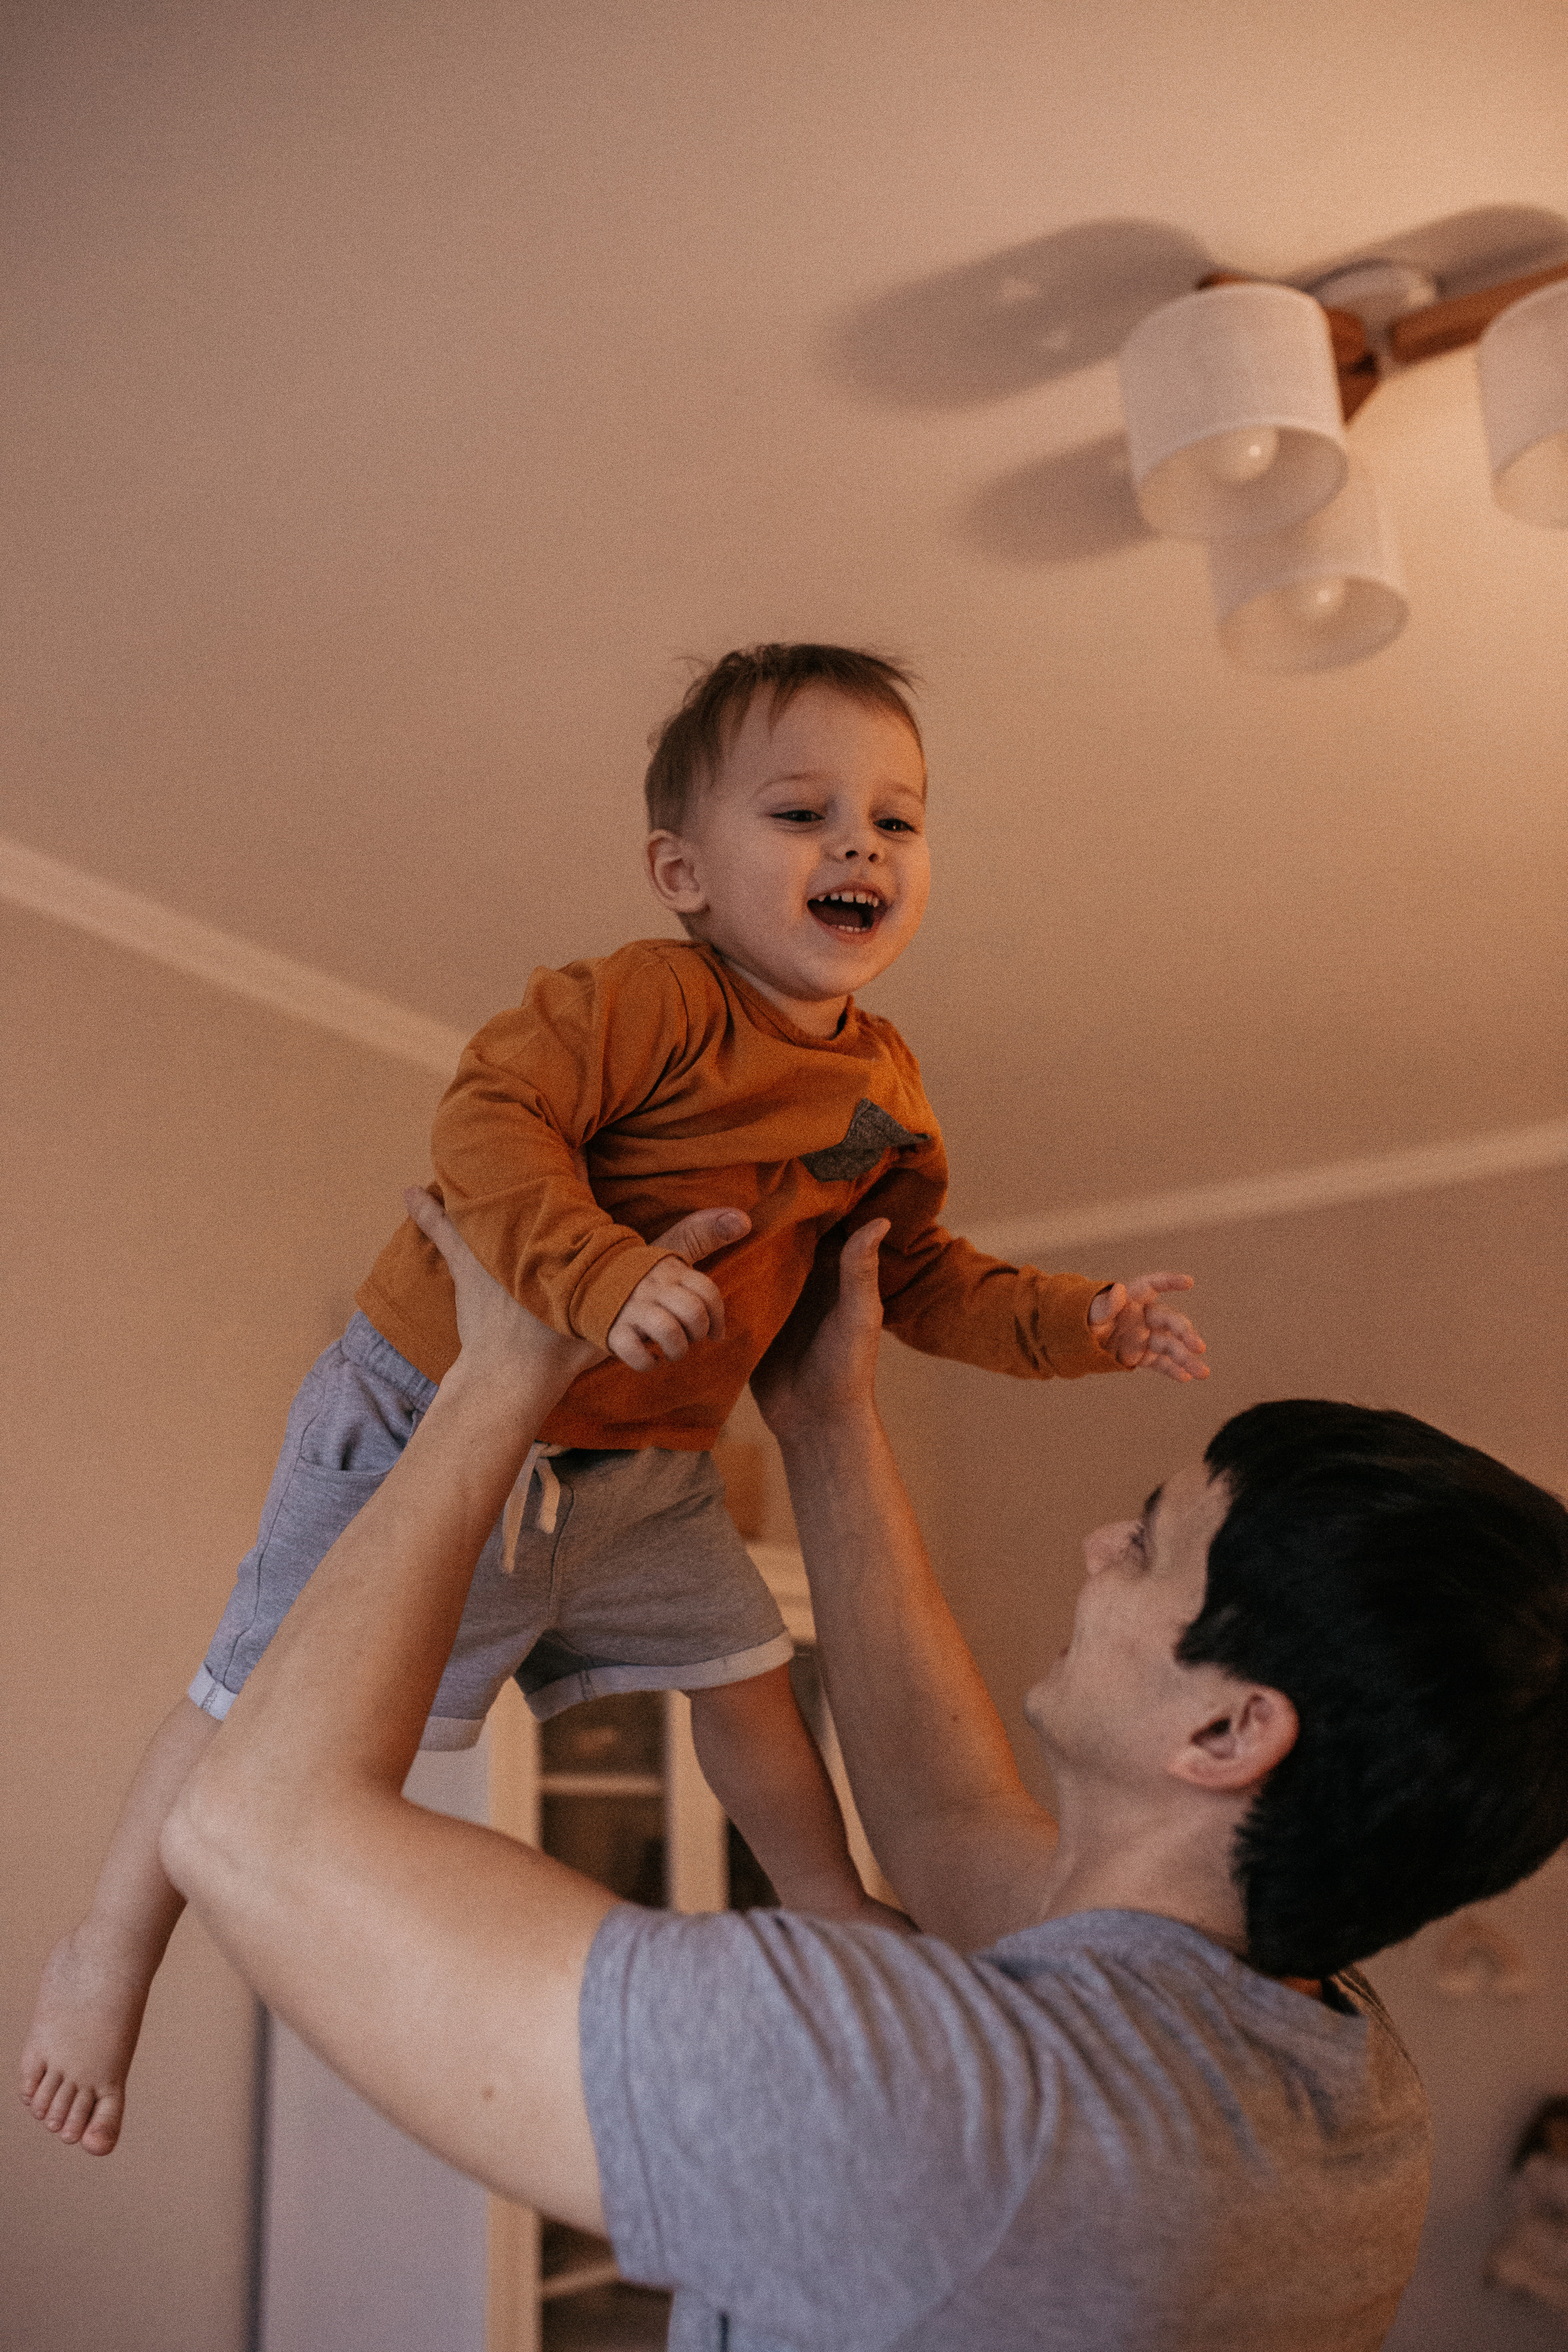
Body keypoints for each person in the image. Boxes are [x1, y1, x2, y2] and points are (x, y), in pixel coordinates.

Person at [22, 641, 1211, 2155]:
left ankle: (825, 1897)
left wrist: (1074, 1322)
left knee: (748, 1675)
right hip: (426, 1401)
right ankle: (107, 1952)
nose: (857, 846)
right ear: (681, 873)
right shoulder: (650, 1001)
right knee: (258, 1703)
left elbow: (909, 1276)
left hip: (645, 1459)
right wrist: (594, 1273)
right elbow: (487, 1119)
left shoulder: (887, 1090)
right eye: (801, 814)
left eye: (894, 821)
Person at [149, 1190, 1568, 2351]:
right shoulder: (1333, 2078)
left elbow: (252, 1831)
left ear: (1227, 1734)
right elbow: (949, 1820)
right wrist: (826, 1419)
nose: (1097, 1549)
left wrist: (494, 1386)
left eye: (1147, 1546)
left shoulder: (951, 2115)